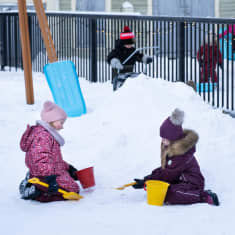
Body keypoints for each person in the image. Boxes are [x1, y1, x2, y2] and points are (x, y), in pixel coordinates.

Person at [132, 108, 219, 206]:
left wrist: (149, 181)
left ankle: (204, 196)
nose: (163, 141)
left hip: (192, 183)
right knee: (162, 191)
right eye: (162, 138)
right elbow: (165, 170)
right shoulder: (171, 148)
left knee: (168, 194)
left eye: (165, 138)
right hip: (179, 180)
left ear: (174, 138)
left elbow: (168, 174)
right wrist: (146, 179)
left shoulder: (181, 154)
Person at [19, 101, 80, 202]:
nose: (62, 126)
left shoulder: (47, 135)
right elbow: (40, 158)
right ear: (52, 120)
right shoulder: (43, 137)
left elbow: (54, 159)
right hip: (44, 175)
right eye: (61, 122)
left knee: (73, 187)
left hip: (47, 171)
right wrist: (50, 178)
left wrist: (68, 168)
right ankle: (35, 191)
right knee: (70, 190)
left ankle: (33, 180)